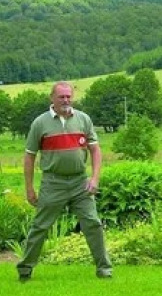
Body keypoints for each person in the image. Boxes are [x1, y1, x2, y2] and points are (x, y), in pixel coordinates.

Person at [16, 81, 112, 283]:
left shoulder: (83, 119)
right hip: (53, 183)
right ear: (52, 98)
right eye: (61, 97)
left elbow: (95, 150)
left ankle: (104, 270)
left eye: (69, 96)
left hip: (80, 183)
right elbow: (29, 156)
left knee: (93, 224)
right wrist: (29, 188)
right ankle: (25, 270)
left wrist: (95, 178)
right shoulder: (40, 123)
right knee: (40, 226)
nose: (66, 100)